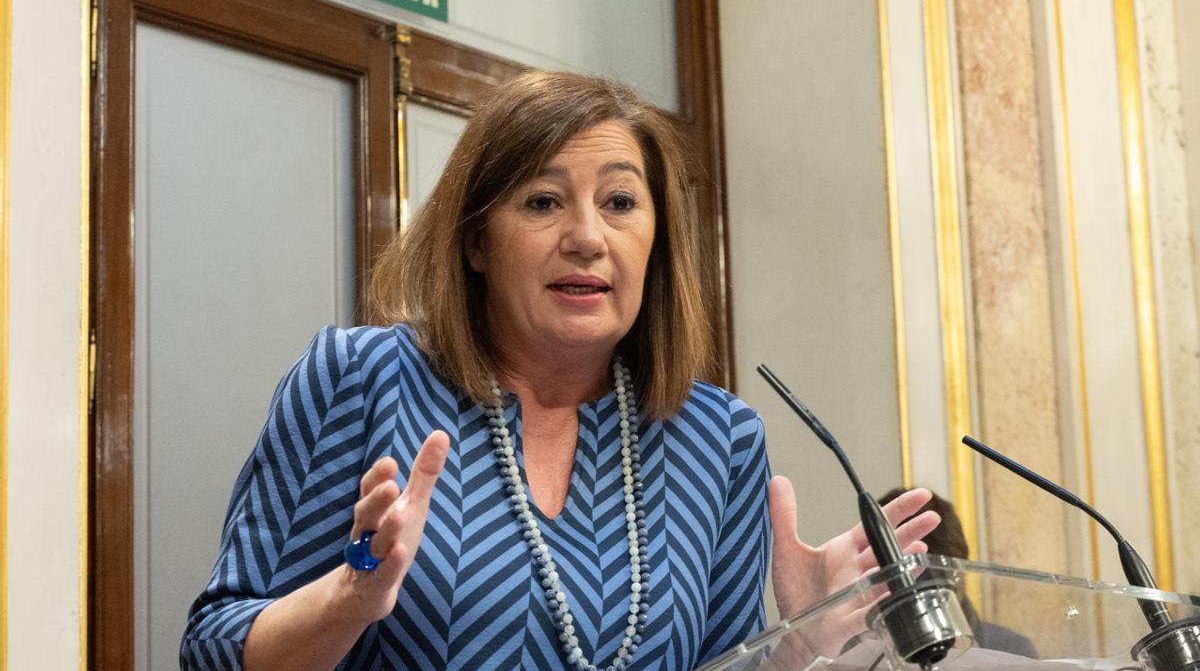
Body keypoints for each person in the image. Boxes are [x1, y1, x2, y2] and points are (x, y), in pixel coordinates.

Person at [180, 70, 939, 670]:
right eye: (543, 201)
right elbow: (213, 647)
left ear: (657, 242)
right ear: (477, 241)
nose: (586, 236)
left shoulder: (719, 438)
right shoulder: (358, 379)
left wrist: (795, 645)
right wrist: (349, 594)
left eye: (619, 202)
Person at [877, 488, 1037, 659]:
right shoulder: (852, 651)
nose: (925, 600)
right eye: (913, 578)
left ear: (962, 571)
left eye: (939, 577)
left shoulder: (1010, 651)